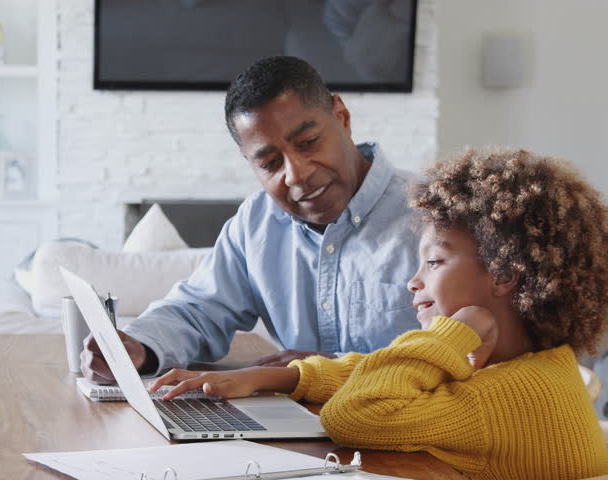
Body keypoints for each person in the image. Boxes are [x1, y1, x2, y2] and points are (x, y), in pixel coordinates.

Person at [151, 146, 608, 479]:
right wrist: (278, 376)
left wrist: (451, 332)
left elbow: (358, 414)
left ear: (504, 275)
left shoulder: (512, 398)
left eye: (434, 262)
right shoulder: (516, 365)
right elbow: (382, 374)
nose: (414, 280)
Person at [81, 56, 421, 384]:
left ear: (342, 118)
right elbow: (199, 309)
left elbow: (467, 354)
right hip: (295, 431)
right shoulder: (257, 223)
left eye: (309, 142)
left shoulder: (438, 215)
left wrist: (328, 371)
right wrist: (138, 348)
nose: (296, 175)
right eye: (270, 163)